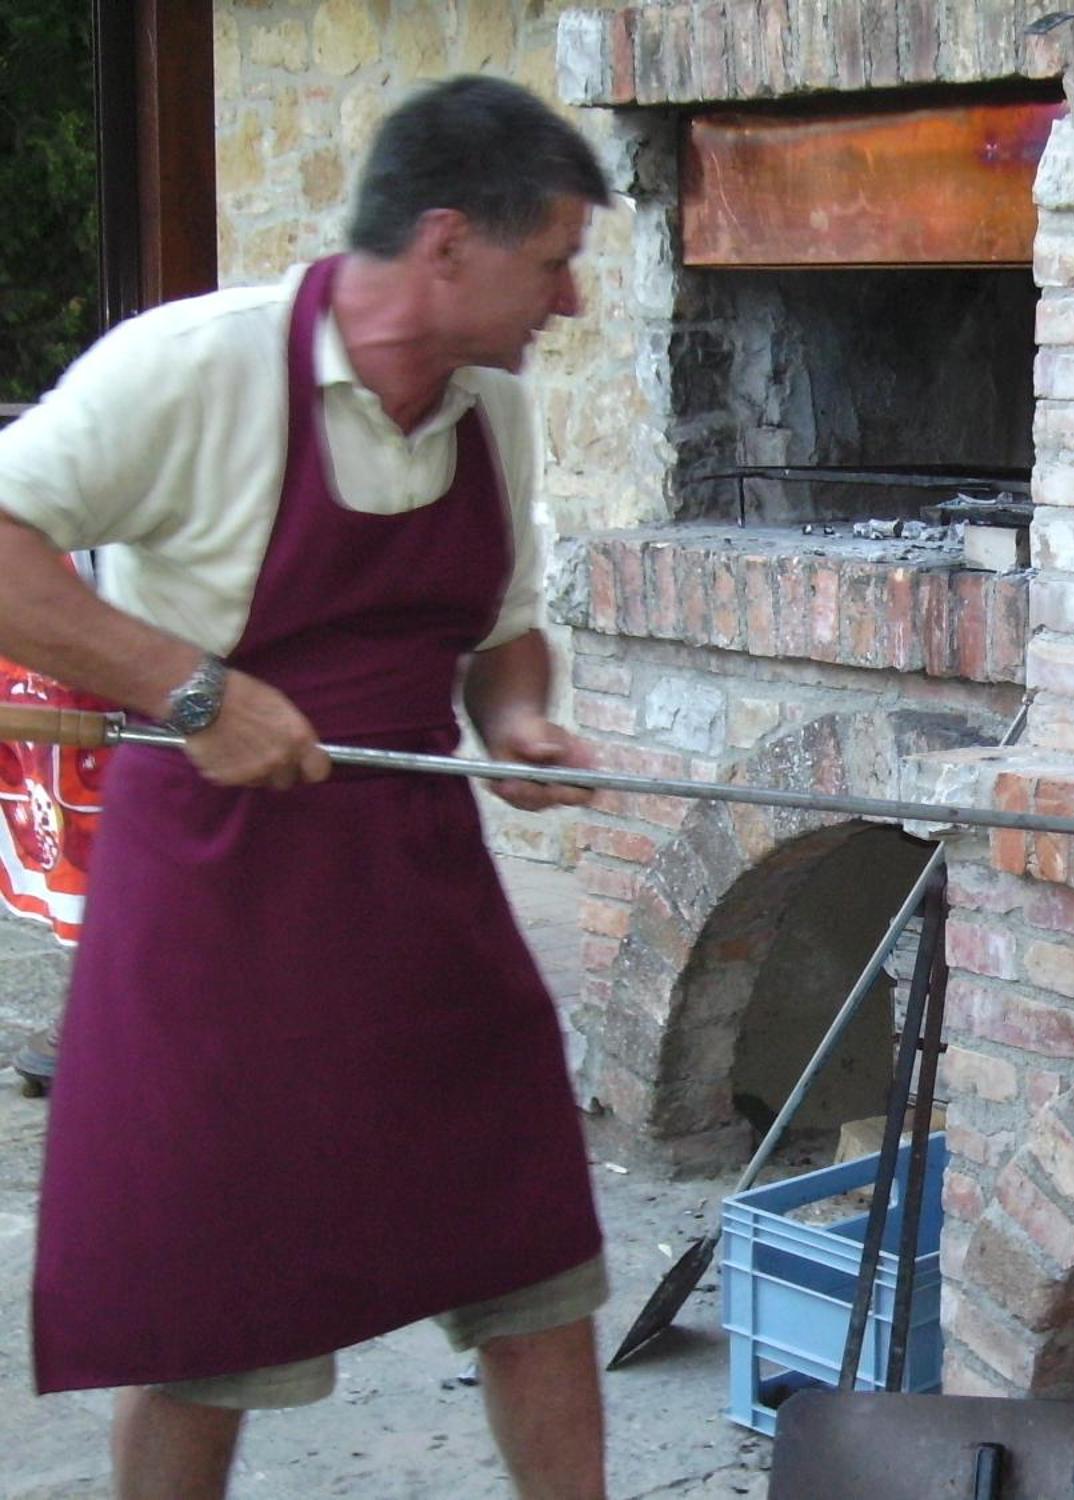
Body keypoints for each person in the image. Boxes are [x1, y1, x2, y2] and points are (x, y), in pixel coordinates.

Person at [0, 77, 615, 1499]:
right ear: (449, 243)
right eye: (556, 260)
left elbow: (501, 627)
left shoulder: (490, 412)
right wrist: (189, 689)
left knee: (536, 1255)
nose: (570, 302)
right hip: (219, 900)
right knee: (205, 1311)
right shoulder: (194, 367)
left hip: (417, 889)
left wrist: (518, 723)